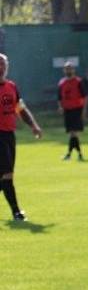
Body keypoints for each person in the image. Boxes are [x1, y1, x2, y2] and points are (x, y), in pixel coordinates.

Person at [0, 52, 43, 221]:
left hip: (9, 135)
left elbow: (20, 109)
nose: (1, 67)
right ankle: (16, 212)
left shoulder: (12, 86)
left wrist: (33, 125)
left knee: (3, 176)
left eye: (3, 64)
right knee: (7, 174)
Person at [58, 61, 86, 161]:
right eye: (66, 68)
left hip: (76, 109)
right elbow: (60, 98)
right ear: (64, 70)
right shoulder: (62, 83)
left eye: (70, 68)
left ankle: (71, 154)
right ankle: (77, 154)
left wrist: (83, 111)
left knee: (74, 133)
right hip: (67, 110)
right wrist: (60, 107)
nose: (68, 70)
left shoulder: (78, 82)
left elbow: (84, 97)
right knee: (72, 133)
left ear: (73, 69)